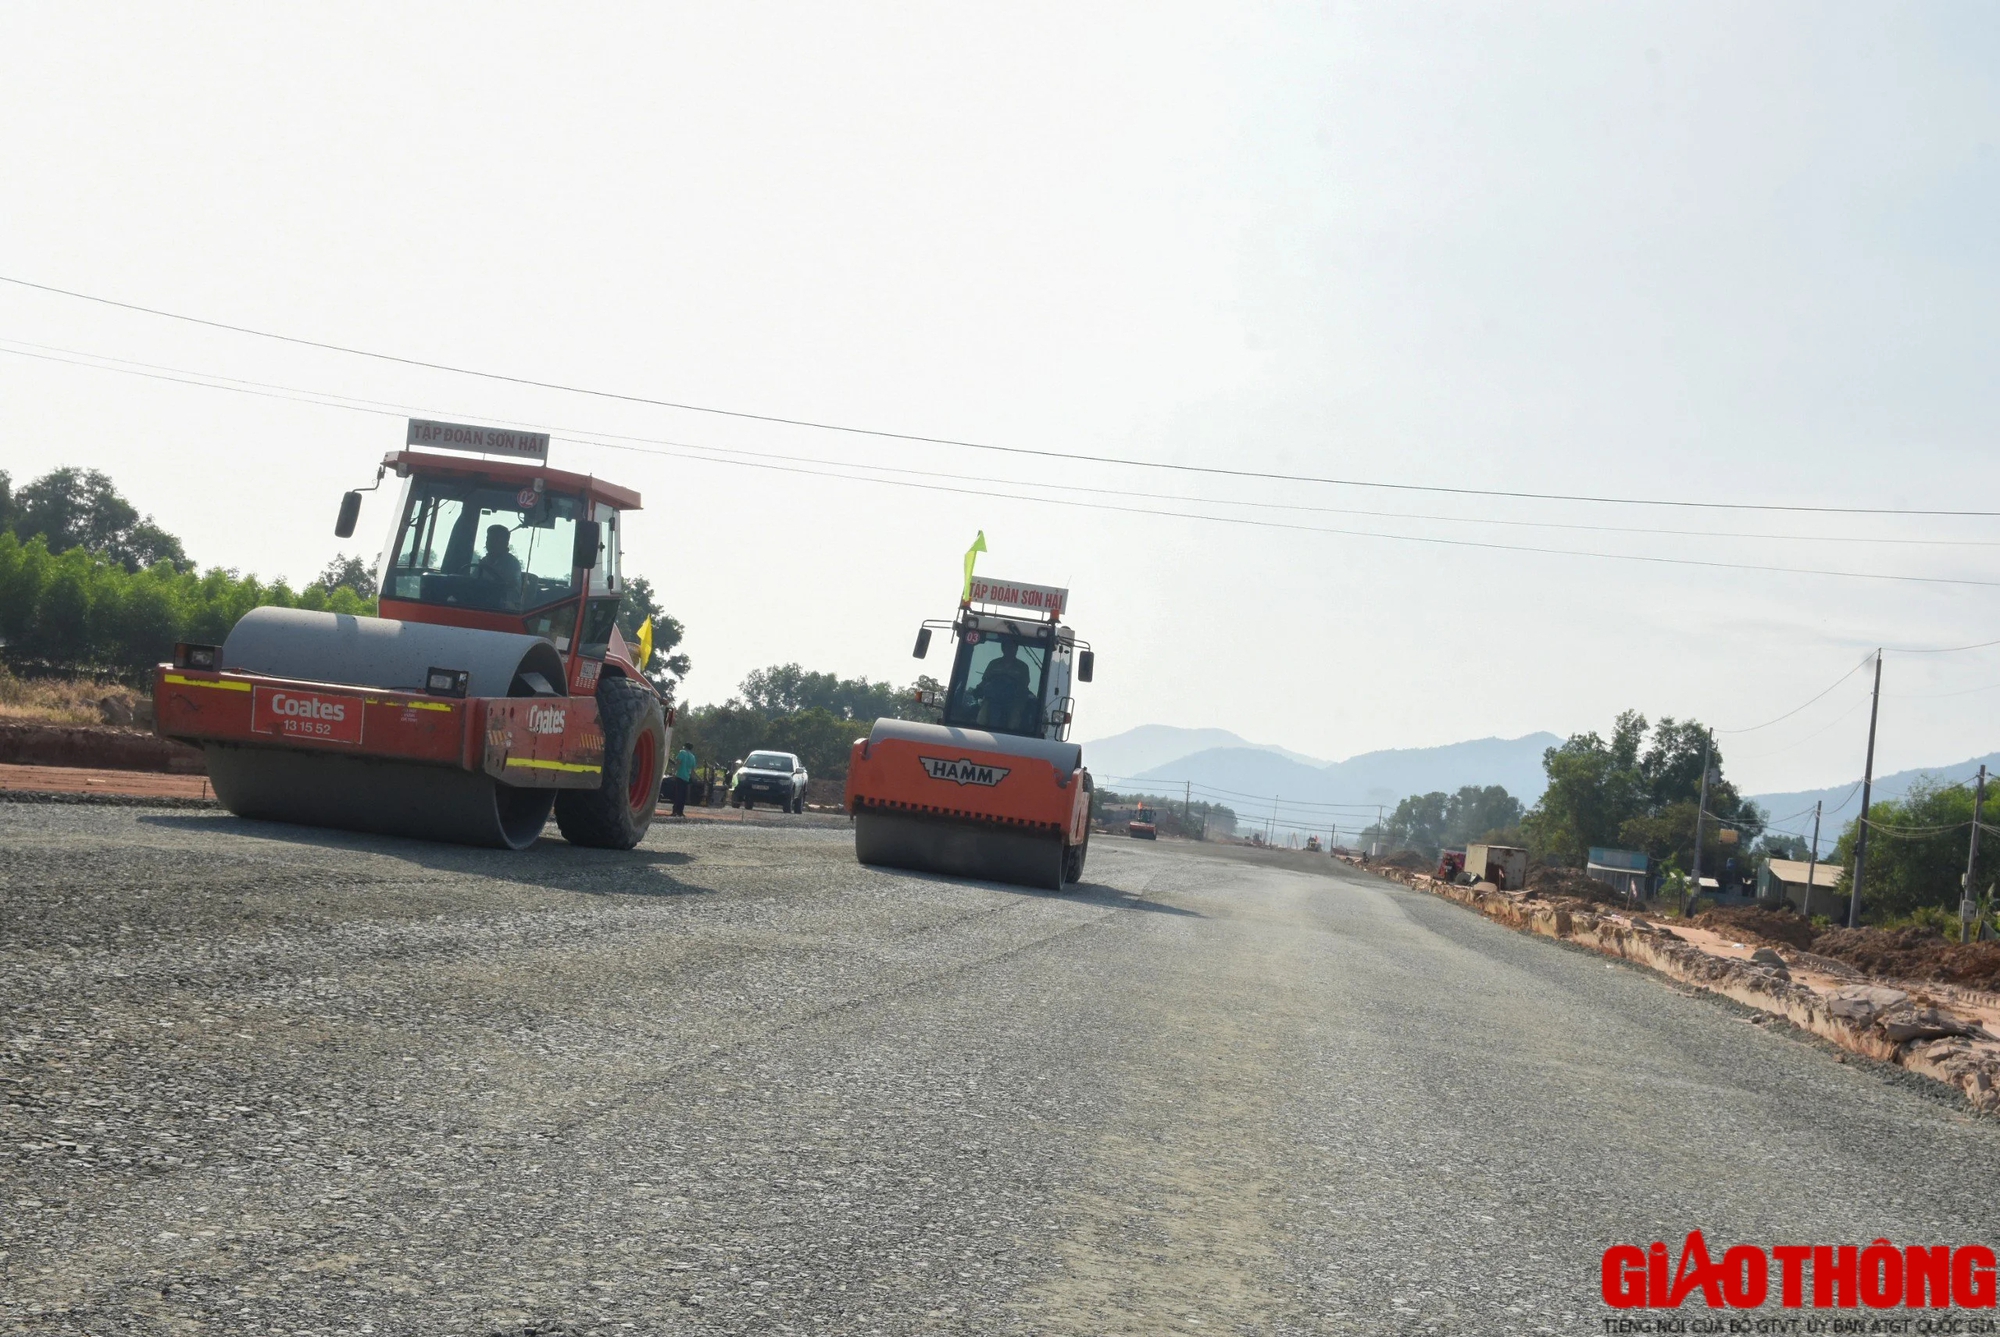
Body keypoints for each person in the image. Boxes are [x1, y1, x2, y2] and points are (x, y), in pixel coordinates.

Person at [975, 641, 1034, 730]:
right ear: (1003, 649)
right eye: (1008, 648)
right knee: (982, 716)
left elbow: (1024, 685)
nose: (1010, 650)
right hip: (992, 699)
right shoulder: (994, 664)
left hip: (1014, 700)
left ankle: (1011, 734)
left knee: (1015, 717)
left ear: (1016, 649)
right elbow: (985, 681)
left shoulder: (1022, 667)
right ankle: (978, 732)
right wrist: (978, 689)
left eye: (1013, 648)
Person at [472, 524, 524, 605]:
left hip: (503, 607)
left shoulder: (512, 563)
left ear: (505, 543)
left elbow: (510, 588)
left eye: (495, 540)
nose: (490, 543)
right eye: (488, 539)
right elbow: (472, 581)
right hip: (480, 602)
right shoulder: (484, 561)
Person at [670, 742, 697, 817]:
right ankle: (680, 811)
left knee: (677, 794)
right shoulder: (693, 757)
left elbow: (678, 763)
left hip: (680, 776)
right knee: (683, 795)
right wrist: (693, 778)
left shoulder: (682, 752)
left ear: (685, 747)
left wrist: (673, 772)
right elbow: (692, 770)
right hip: (686, 778)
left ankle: (675, 811)